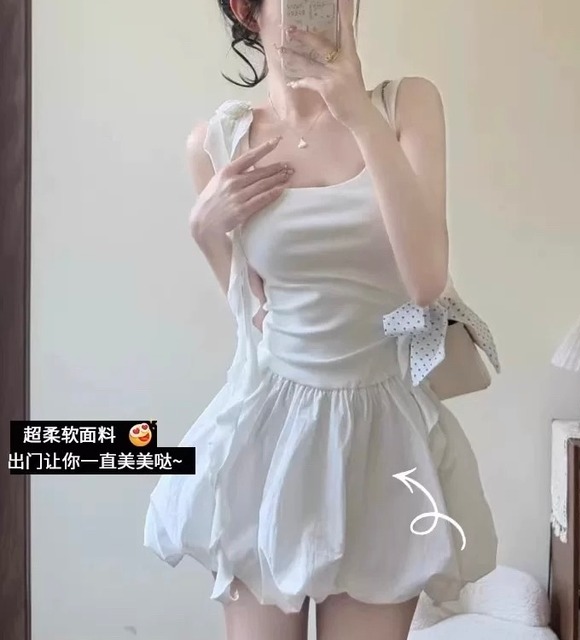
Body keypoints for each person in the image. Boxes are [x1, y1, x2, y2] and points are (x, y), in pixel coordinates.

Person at [143, 0, 499, 638]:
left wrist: (357, 112)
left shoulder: (406, 106)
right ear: (247, 12)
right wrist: (205, 232)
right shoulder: (218, 142)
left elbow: (425, 282)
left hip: (383, 436)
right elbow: (257, 318)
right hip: (268, 433)